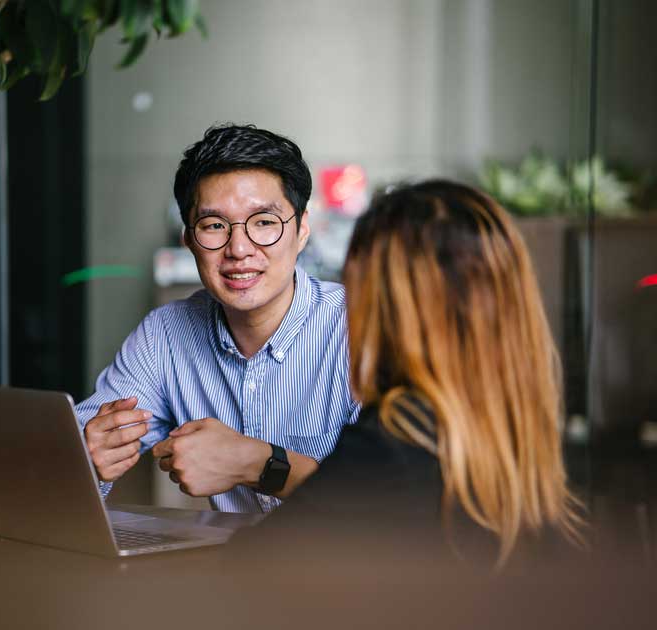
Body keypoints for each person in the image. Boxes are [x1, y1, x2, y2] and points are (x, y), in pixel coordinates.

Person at [232, 180, 585, 566]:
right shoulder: (513, 435)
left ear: (384, 307)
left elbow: (255, 569)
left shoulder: (395, 441)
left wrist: (254, 463)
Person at [75, 124, 360, 513]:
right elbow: (69, 459)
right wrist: (88, 461)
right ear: (189, 239)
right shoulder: (165, 336)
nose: (239, 249)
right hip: (227, 567)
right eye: (214, 226)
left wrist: (258, 464)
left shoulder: (364, 330)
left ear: (302, 229)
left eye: (264, 223)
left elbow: (397, 506)